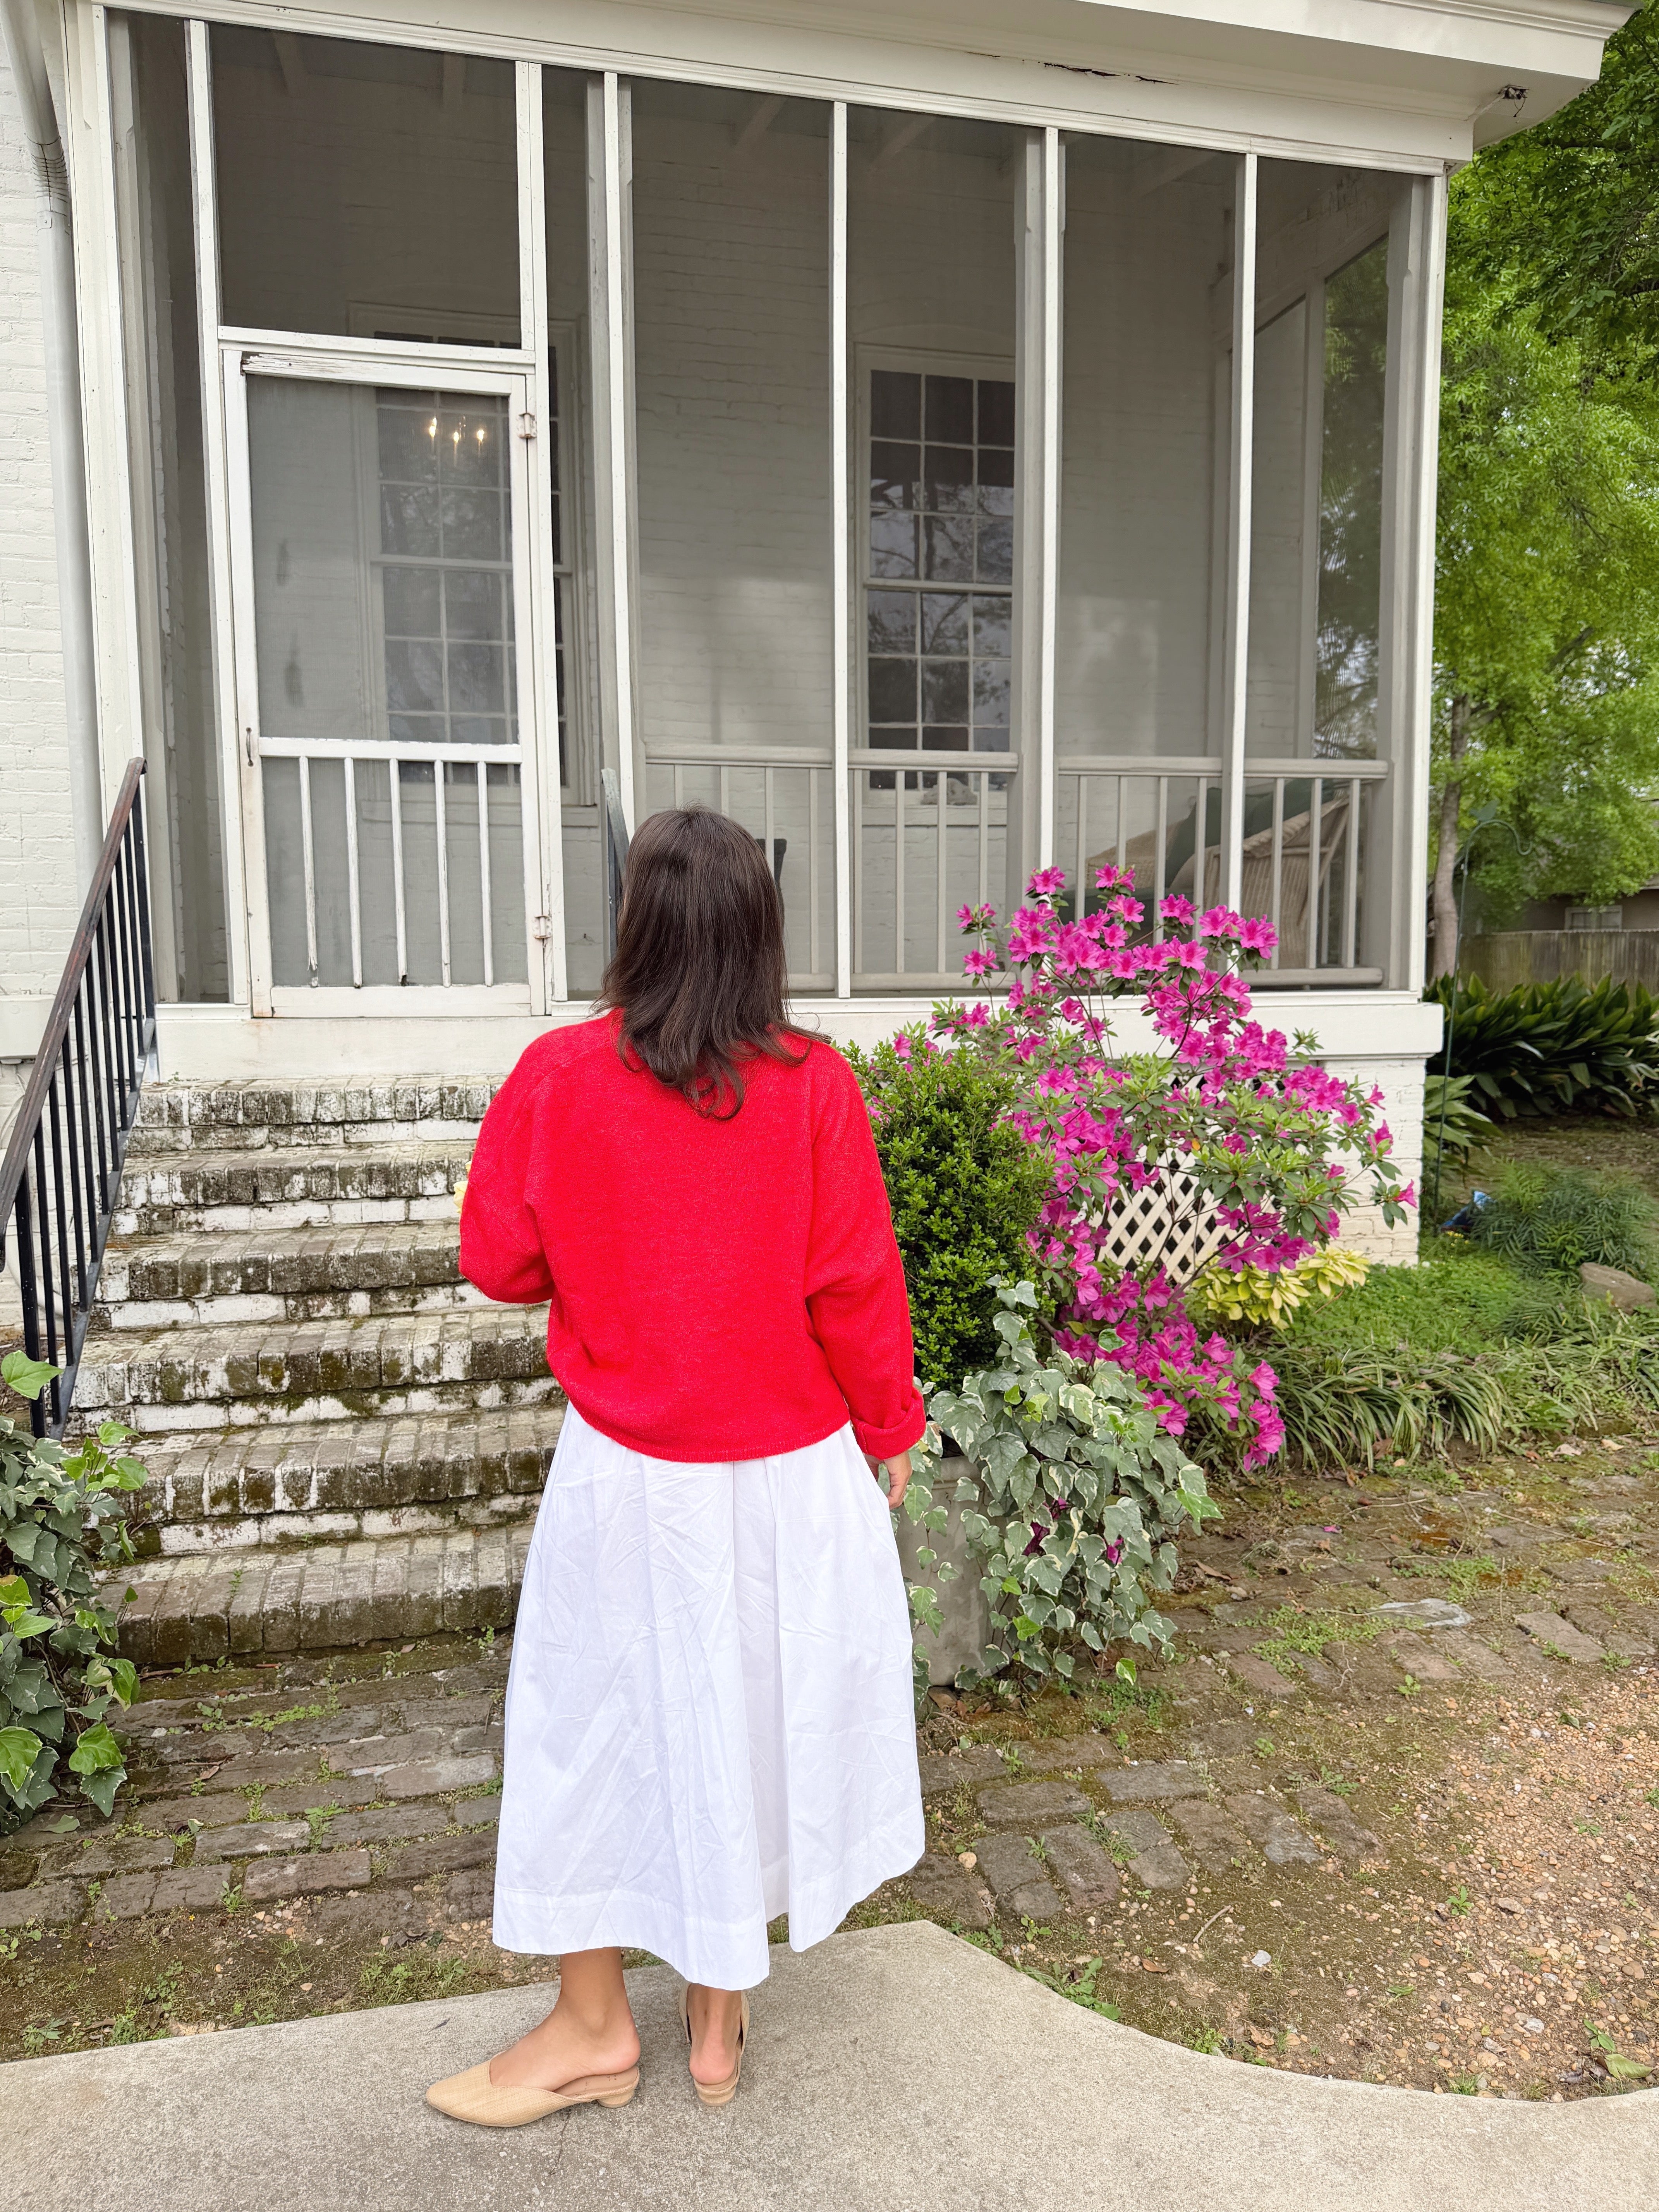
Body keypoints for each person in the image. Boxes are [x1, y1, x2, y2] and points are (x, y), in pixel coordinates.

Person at [425, 807, 925, 2126]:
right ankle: (715, 2017)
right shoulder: (815, 1086)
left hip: (632, 1474)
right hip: (793, 1467)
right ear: (762, 931)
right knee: (758, 1713)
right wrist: (891, 1430)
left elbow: (496, 1261)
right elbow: (852, 1284)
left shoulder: (559, 1077)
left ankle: (595, 2028)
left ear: (632, 923)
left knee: (594, 1732)